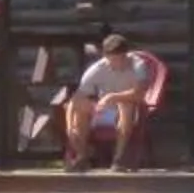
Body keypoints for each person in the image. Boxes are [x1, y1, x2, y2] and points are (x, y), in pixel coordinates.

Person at [64, 34, 155, 171]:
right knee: (79, 108)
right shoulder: (97, 69)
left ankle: (119, 160)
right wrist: (69, 127)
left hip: (129, 112)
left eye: (121, 58)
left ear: (127, 55)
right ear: (105, 56)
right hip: (104, 111)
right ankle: (82, 156)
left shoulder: (138, 65)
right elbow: (75, 99)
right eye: (113, 59)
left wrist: (113, 97)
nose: (118, 63)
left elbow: (139, 94)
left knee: (126, 105)